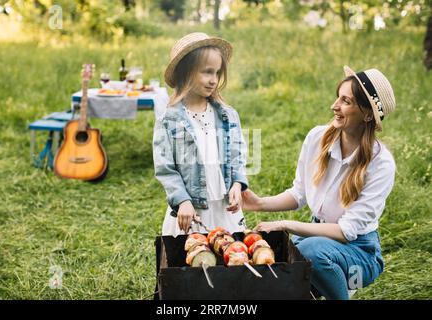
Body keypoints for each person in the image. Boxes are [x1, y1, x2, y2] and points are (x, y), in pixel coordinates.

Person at [242, 66, 396, 300]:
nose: (334, 106)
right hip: (316, 239)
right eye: (338, 97)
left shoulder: (381, 164)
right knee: (284, 269)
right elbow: (299, 193)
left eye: (346, 101)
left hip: (359, 254)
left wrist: (285, 224)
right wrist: (259, 203)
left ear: (367, 114)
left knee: (308, 253)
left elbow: (346, 232)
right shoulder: (317, 137)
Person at [153, 32, 248, 236]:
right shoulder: (169, 119)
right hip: (191, 211)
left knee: (228, 259)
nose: (213, 80)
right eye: (206, 72)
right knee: (193, 260)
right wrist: (183, 201)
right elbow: (165, 168)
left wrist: (238, 184)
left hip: (224, 209)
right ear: (185, 73)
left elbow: (237, 155)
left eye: (217, 73)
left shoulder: (228, 115)